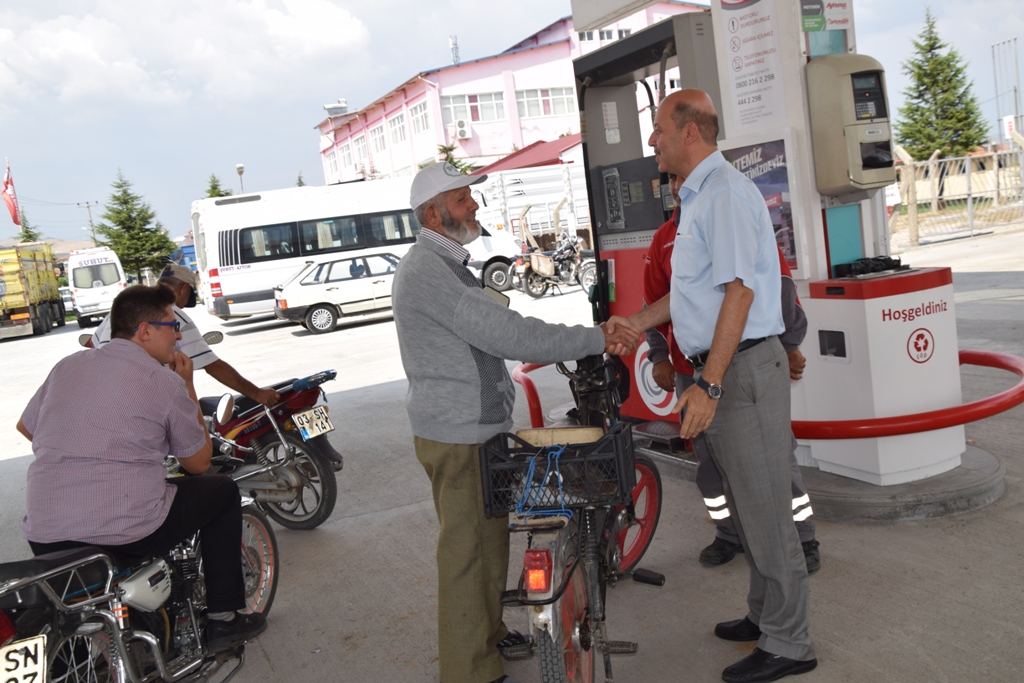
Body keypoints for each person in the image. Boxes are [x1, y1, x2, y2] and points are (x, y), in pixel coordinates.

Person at [392, 162, 639, 683]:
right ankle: (470, 671)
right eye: (463, 200)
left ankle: (483, 634)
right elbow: (506, 332)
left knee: (487, 542)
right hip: (456, 434)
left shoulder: (446, 263)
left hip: (474, 430)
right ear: (434, 213)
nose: (474, 207)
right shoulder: (426, 270)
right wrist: (594, 337)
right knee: (465, 554)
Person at [629, 90, 816, 682]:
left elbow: (739, 292)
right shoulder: (699, 198)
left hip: (740, 371)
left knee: (765, 510)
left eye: (658, 128)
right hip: (727, 368)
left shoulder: (727, 195)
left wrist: (708, 385)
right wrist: (635, 323)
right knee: (746, 501)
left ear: (690, 133)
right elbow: (694, 294)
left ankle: (791, 643)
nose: (652, 140)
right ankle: (765, 616)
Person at [16, 284, 266, 652]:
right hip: (124, 530)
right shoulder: (163, 380)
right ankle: (224, 619)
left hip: (44, 531)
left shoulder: (67, 365)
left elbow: (27, 427)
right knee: (223, 492)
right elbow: (197, 462)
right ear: (144, 331)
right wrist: (187, 385)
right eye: (171, 325)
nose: (179, 335)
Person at [644, 175, 821, 573]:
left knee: (773, 456)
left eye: (682, 178)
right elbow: (655, 299)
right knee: (709, 458)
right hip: (692, 370)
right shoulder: (664, 239)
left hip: (741, 365)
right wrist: (659, 355)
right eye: (671, 180)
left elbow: (776, 283)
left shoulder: (729, 210)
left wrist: (789, 344)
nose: (677, 186)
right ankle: (728, 532)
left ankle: (801, 535)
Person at [88, 264, 280, 407]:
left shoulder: (127, 307)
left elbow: (92, 344)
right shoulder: (173, 315)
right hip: (139, 401)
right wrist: (258, 394)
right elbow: (213, 366)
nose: (178, 336)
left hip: (104, 399)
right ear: (184, 289)